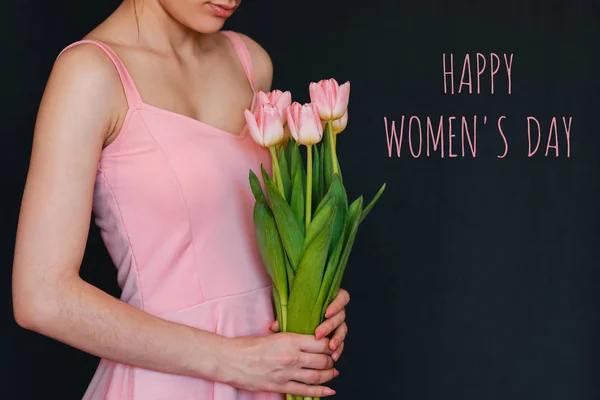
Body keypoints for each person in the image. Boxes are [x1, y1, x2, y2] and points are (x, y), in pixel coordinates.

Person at [11, 0, 350, 398]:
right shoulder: (90, 73)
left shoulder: (250, 62)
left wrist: (312, 303)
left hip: (272, 378)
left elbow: (252, 241)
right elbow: (41, 296)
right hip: (170, 383)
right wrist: (232, 360)